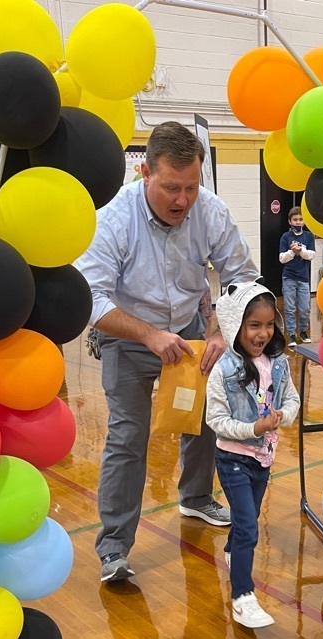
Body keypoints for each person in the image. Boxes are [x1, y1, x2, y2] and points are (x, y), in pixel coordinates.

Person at [76, 121, 259, 584]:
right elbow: (90, 299)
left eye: (191, 187)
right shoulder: (113, 219)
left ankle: (195, 499)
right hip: (128, 333)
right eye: (172, 188)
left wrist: (219, 332)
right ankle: (114, 547)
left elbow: (242, 277)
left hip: (189, 330)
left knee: (203, 419)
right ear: (145, 173)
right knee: (128, 437)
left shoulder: (210, 211)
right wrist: (148, 335)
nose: (183, 200)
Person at [206, 281, 300, 628]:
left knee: (248, 519)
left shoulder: (278, 363)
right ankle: (242, 597)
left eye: (269, 324)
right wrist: (253, 428)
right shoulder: (223, 370)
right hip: (233, 459)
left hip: (264, 459)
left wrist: (282, 416)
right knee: (248, 525)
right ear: (235, 325)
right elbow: (215, 420)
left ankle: (233, 553)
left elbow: (292, 399)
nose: (263, 333)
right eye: (254, 325)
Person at [278, 206, 316, 347]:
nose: (298, 222)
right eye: (295, 219)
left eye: (300, 219)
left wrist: (301, 251)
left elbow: (311, 255)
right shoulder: (286, 237)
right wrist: (292, 252)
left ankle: (304, 331)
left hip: (304, 278)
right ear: (290, 221)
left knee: (305, 308)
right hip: (289, 277)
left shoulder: (309, 236)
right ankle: (292, 335)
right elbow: (282, 259)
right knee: (290, 308)